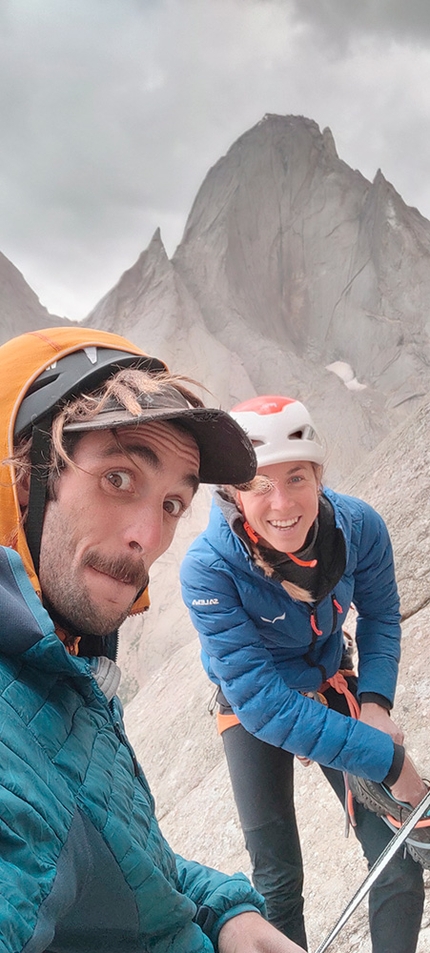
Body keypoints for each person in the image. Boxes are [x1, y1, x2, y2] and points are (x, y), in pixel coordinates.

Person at [0, 330, 306, 953]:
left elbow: (119, 858)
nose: (149, 535)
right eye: (117, 478)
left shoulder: (61, 669)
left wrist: (224, 914)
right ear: (27, 479)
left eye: (172, 503)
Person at [180, 394, 428, 953]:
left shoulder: (358, 526)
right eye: (259, 485)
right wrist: (391, 762)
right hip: (252, 705)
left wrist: (375, 704)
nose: (282, 502)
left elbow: (382, 615)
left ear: (318, 475)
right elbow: (264, 706)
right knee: (278, 880)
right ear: (234, 493)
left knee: (398, 846)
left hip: (328, 680)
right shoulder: (210, 569)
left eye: (296, 478)